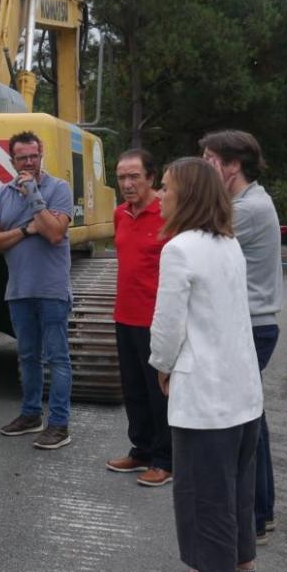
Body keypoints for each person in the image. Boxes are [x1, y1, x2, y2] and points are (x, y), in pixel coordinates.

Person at [150, 157, 263, 572]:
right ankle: (241, 561)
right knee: (236, 479)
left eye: (165, 187)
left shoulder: (179, 250)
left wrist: (162, 365)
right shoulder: (227, 243)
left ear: (188, 196)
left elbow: (168, 325)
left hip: (205, 392)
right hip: (241, 388)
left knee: (202, 487)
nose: (160, 195)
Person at [200, 130, 282, 543]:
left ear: (233, 165)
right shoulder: (245, 203)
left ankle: (257, 514)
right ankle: (259, 512)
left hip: (251, 325)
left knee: (247, 425)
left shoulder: (246, 209)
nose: (205, 165)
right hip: (251, 323)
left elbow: (196, 241)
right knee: (253, 422)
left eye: (210, 159)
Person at [0, 130, 74, 450]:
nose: (29, 162)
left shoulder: (59, 188)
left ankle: (59, 424)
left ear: (41, 153)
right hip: (19, 289)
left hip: (51, 289)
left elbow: (53, 233)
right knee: (28, 357)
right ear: (12, 160)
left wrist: (35, 195)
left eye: (34, 156)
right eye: (22, 158)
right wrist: (24, 229)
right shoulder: (2, 194)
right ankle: (30, 414)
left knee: (57, 358)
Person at [105, 149, 172, 486]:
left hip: (156, 318)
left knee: (157, 390)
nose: (127, 184)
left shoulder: (168, 215)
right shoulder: (120, 214)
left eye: (134, 177)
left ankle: (164, 460)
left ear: (151, 178)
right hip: (125, 315)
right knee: (132, 389)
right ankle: (141, 450)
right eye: (121, 178)